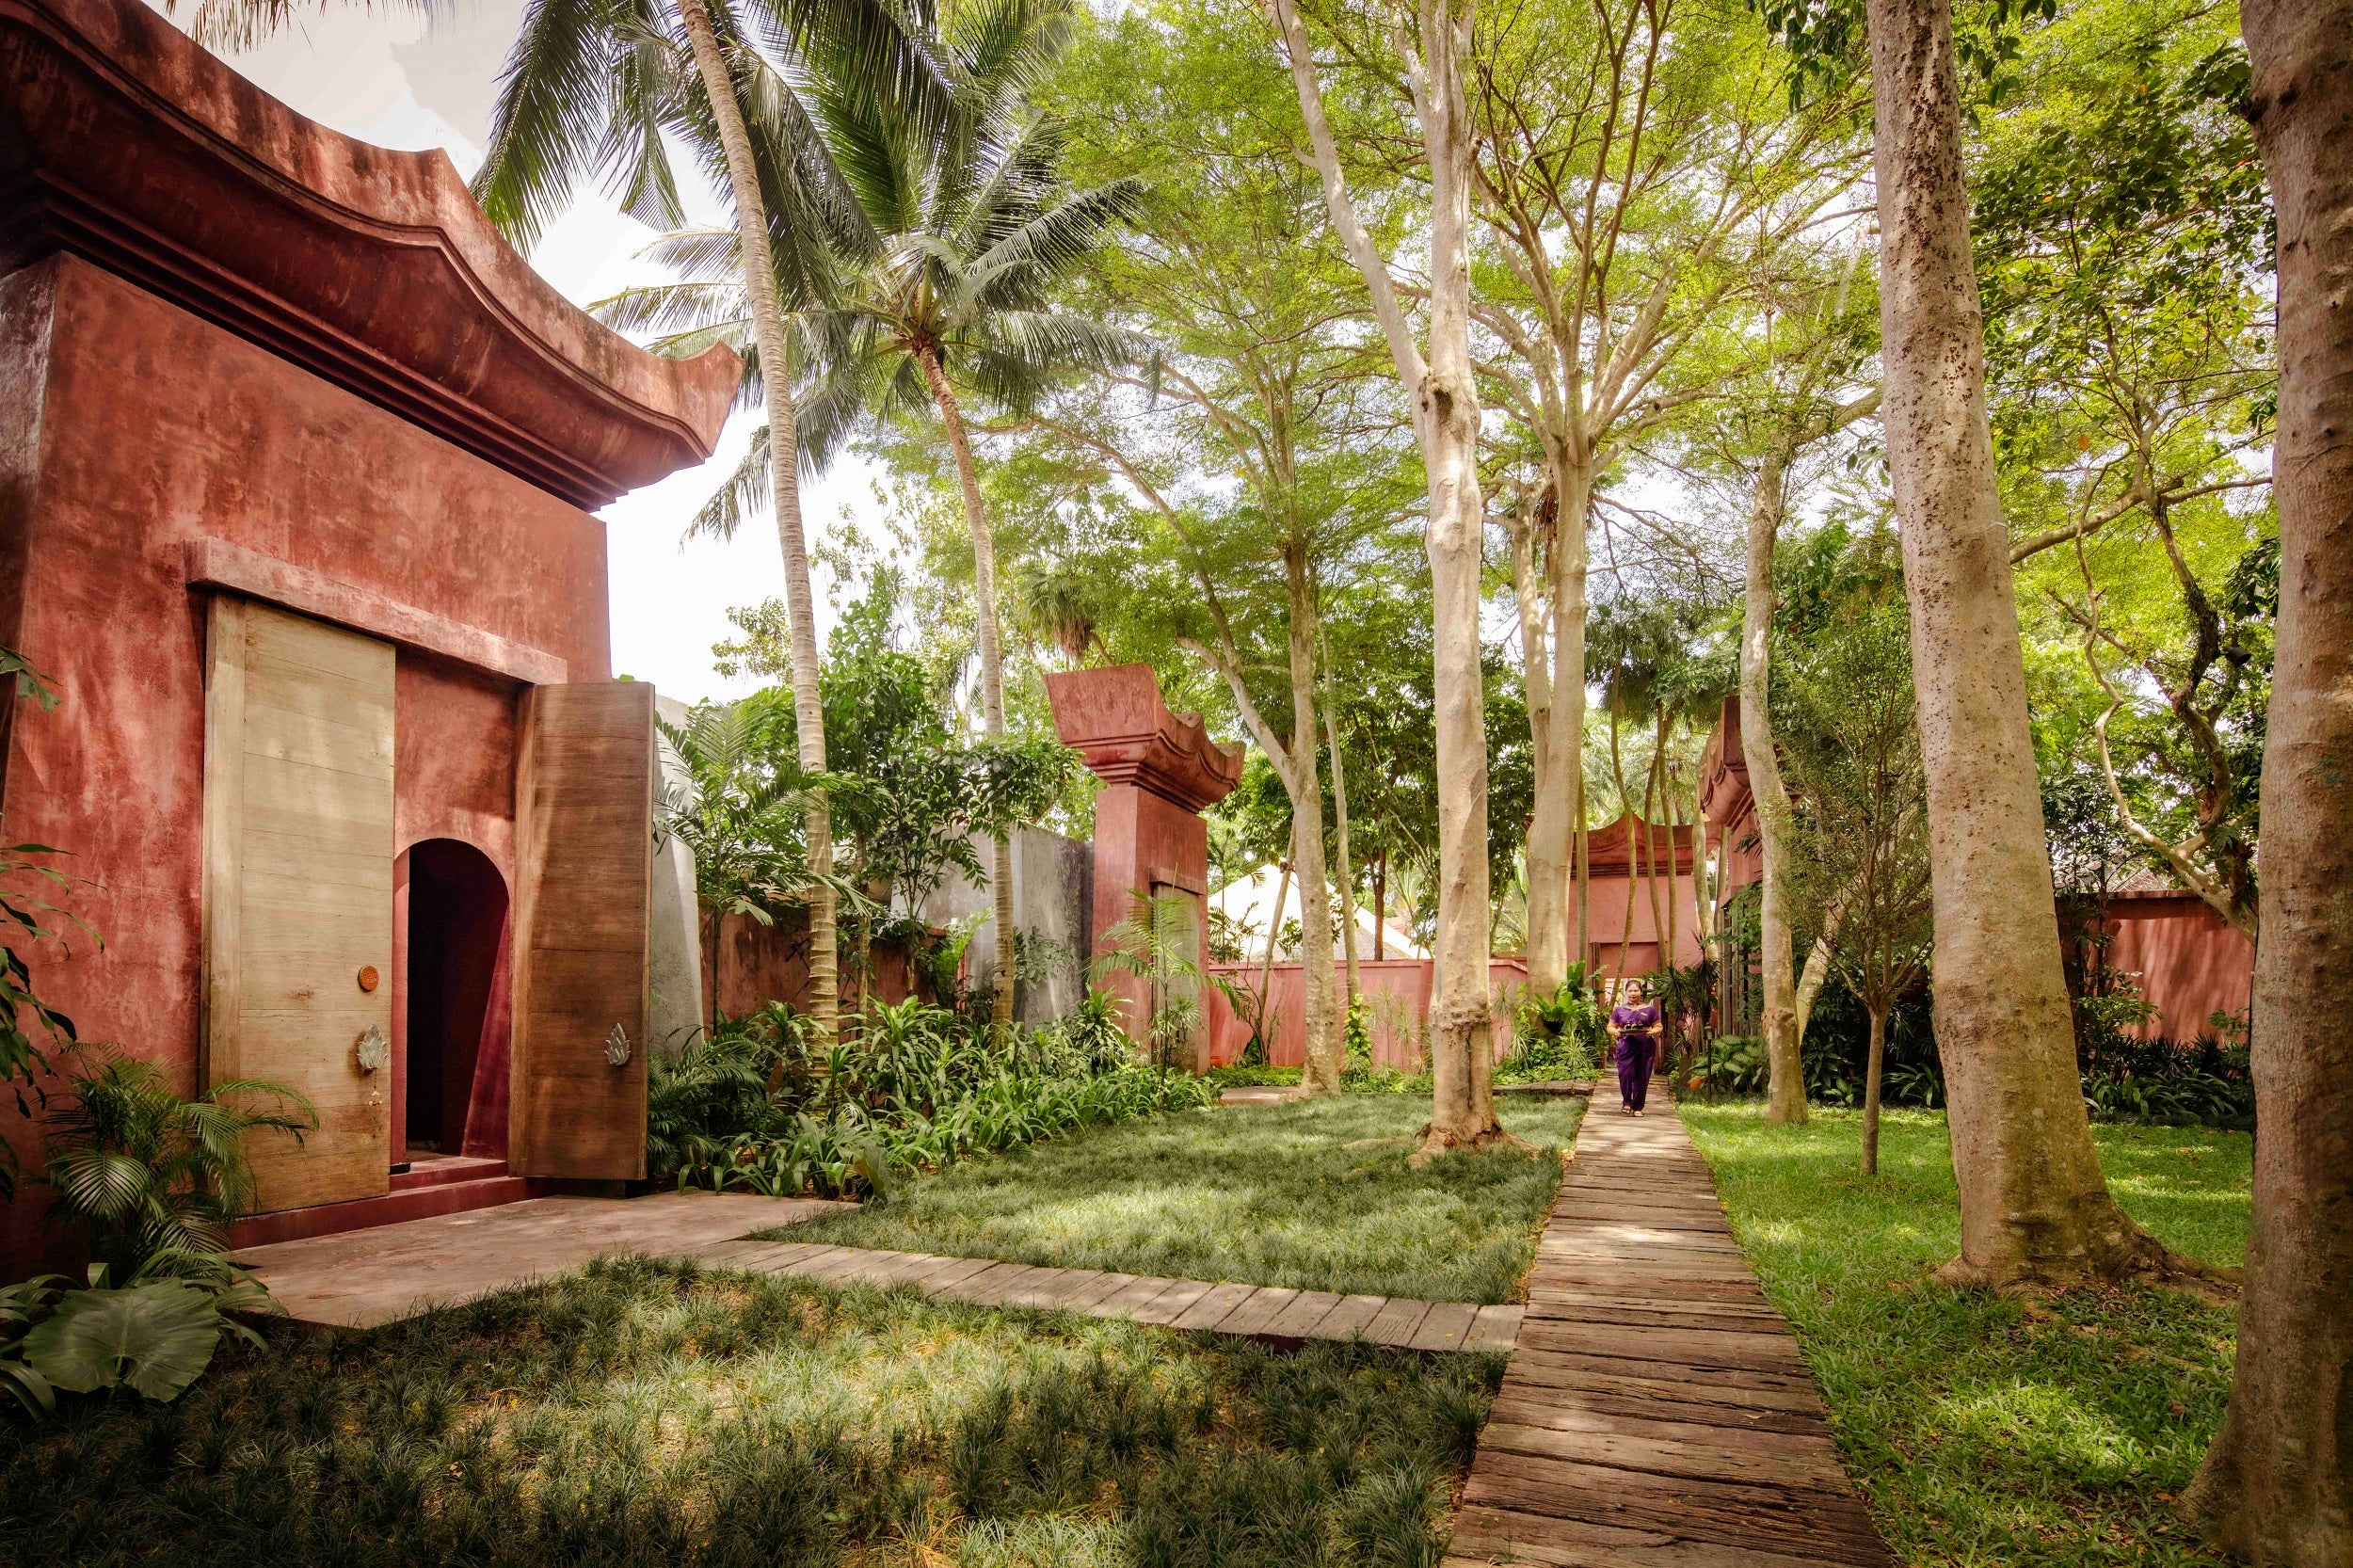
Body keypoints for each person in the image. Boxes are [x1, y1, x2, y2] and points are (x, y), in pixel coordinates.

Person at [1609, 980, 1663, 1115]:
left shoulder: (1649, 1009)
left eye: (1636, 990)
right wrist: (1615, 1032)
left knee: (1642, 1075)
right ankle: (1626, 1102)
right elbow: (1610, 1026)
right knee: (1625, 1075)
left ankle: (1638, 1107)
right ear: (1626, 992)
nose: (1633, 993)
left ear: (1641, 992)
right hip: (1625, 1047)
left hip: (1645, 1048)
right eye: (1630, 991)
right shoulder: (1619, 1010)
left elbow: (1658, 1026)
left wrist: (1652, 1032)